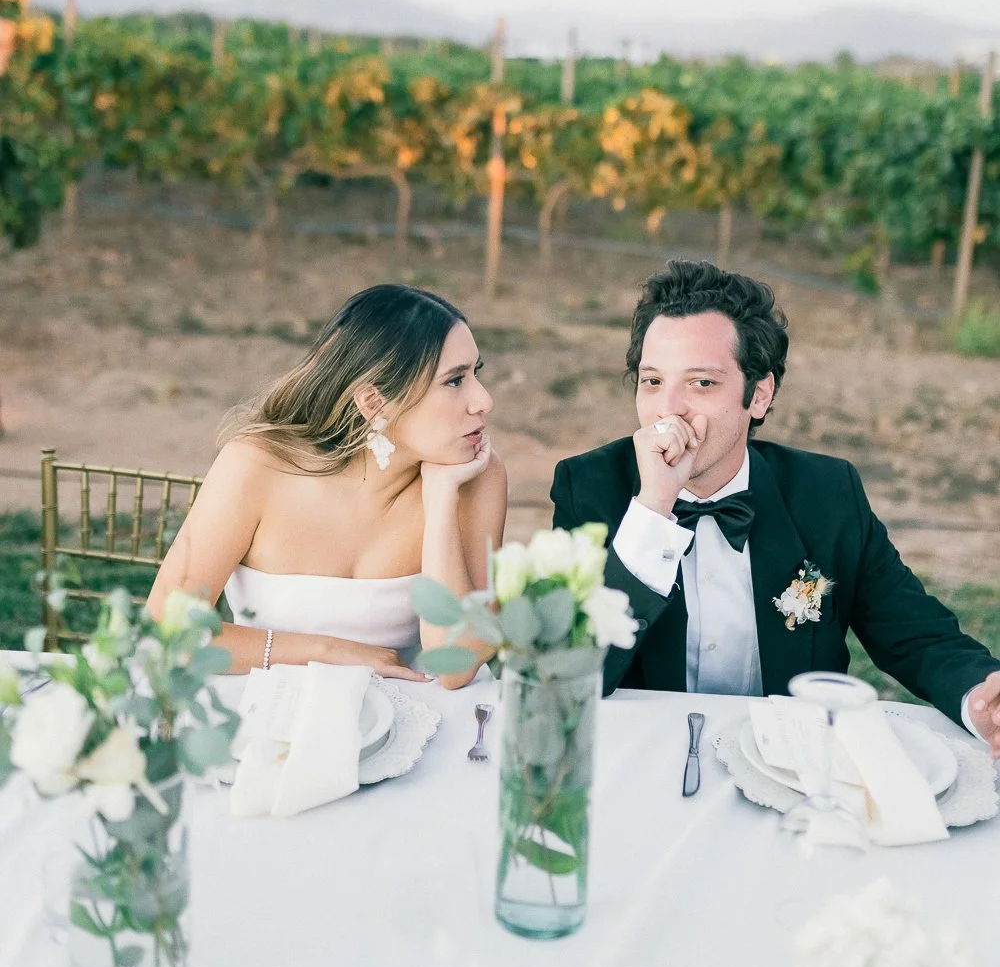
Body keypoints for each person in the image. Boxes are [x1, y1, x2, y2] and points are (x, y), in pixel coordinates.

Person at [550, 259, 1000, 754]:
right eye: (652, 381)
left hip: (792, 766)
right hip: (644, 764)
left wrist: (980, 697)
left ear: (759, 395)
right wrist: (653, 508)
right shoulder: (587, 488)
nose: (668, 408)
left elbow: (916, 634)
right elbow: (566, 675)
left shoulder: (828, 492)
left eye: (702, 383)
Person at [148, 284, 505, 689]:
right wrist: (328, 652)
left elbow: (457, 668)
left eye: (475, 373)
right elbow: (167, 629)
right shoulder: (255, 465)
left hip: (414, 706)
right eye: (454, 381)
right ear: (374, 403)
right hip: (262, 702)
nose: (484, 400)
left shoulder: (476, 475)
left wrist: (441, 501)